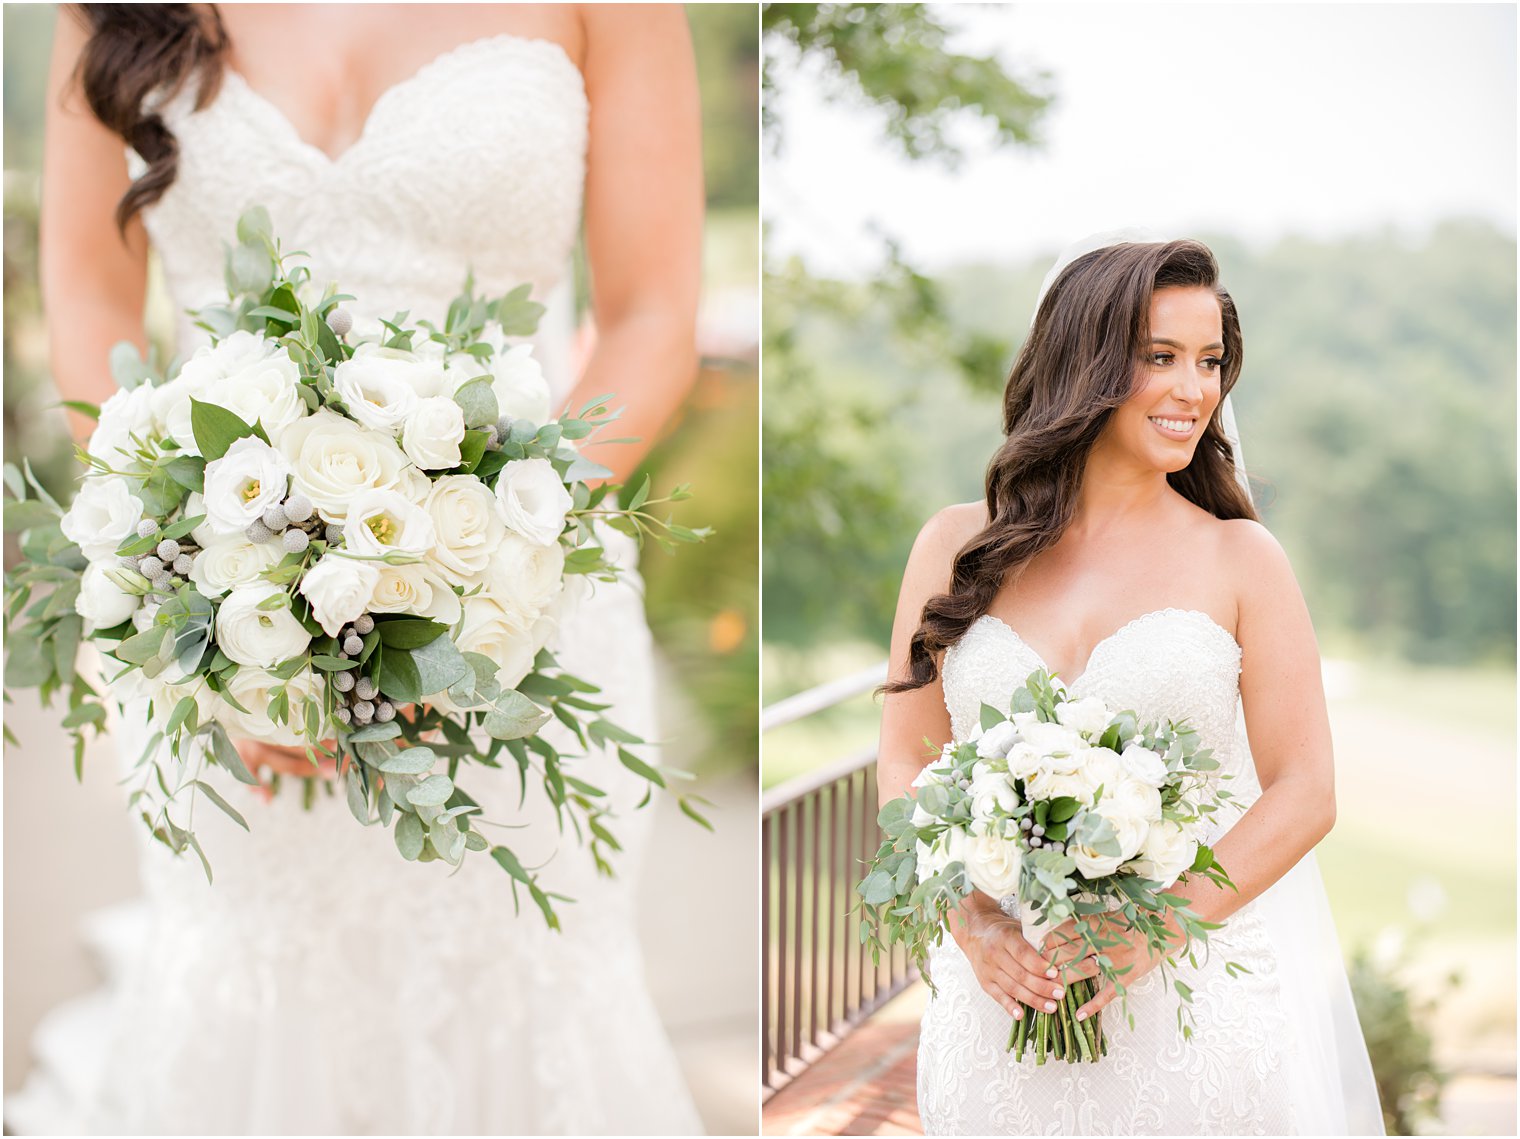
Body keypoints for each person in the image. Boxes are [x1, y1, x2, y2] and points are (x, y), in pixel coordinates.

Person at [11, 4, 705, 1133]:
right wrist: (200, 602)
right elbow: (91, 294)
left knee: (523, 999)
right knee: (253, 991)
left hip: (521, 603)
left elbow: (650, 314)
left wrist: (483, 578)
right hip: (216, 584)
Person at [878, 238, 1383, 1135]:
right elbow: (905, 769)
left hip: (1187, 1007)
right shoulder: (955, 548)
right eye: (1161, 357)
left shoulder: (1241, 558)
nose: (1196, 390)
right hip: (1001, 1004)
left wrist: (1153, 929)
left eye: (1211, 361)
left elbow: (1306, 791)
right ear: (1085, 362)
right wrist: (976, 927)